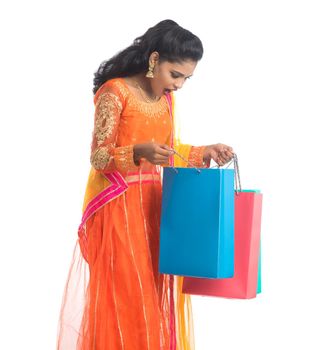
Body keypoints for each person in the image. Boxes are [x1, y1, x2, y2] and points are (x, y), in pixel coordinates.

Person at [56, 19, 234, 350]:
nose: (179, 85)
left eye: (186, 78)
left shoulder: (167, 100)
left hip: (157, 208)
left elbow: (168, 150)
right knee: (126, 294)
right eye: (175, 74)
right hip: (119, 210)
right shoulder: (115, 92)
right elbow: (98, 157)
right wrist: (138, 152)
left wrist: (203, 151)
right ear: (154, 60)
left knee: (153, 293)